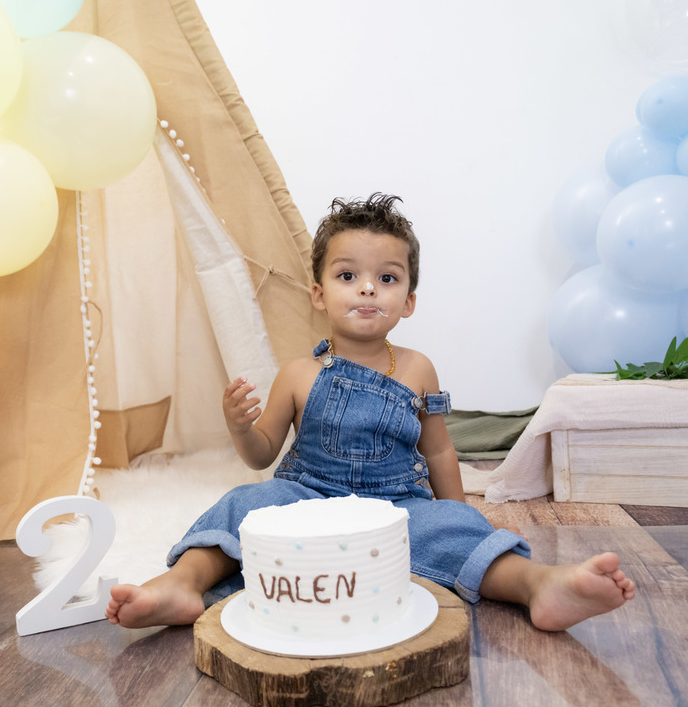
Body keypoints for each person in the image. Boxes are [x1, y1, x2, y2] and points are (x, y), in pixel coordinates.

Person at [106, 193, 635, 632]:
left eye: (386, 278)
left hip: (396, 503)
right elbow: (261, 454)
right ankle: (182, 583)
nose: (366, 288)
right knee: (244, 504)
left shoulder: (417, 368)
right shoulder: (298, 373)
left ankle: (539, 585)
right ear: (318, 294)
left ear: (408, 300)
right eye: (347, 275)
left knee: (451, 532)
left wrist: (457, 514)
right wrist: (240, 427)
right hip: (307, 496)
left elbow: (439, 450)